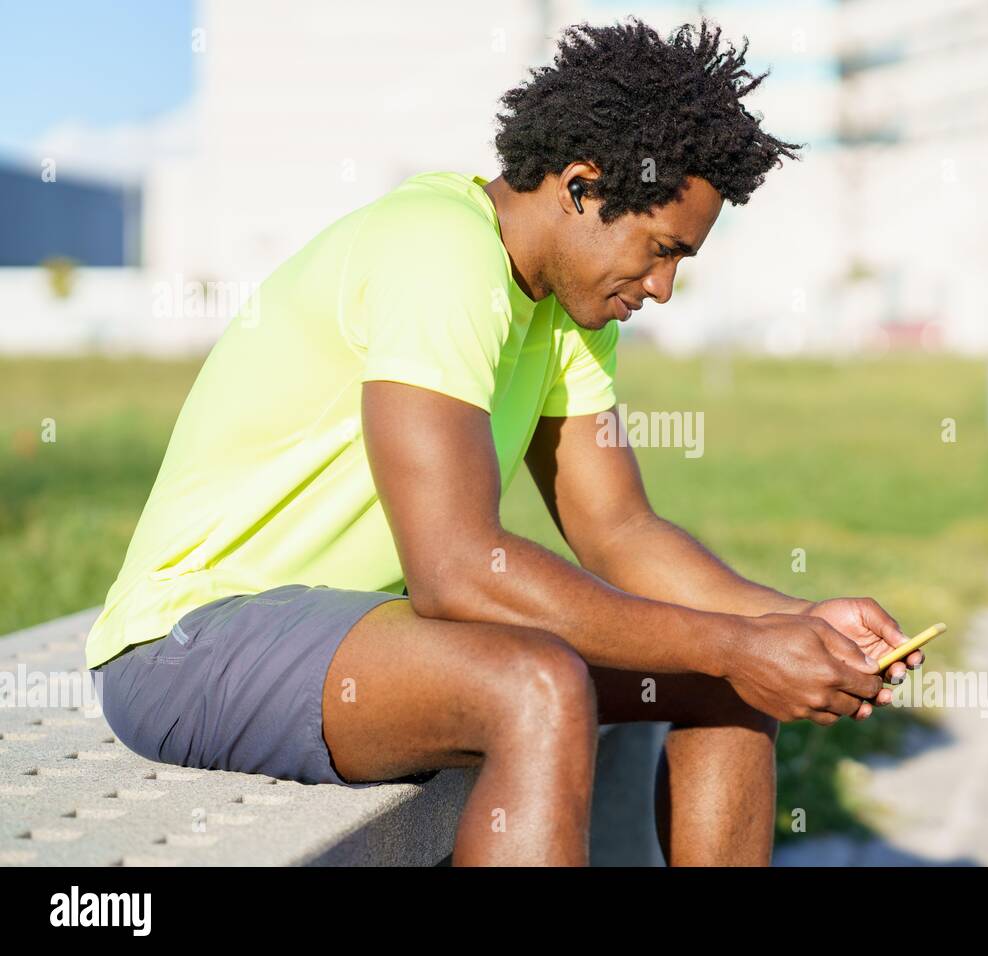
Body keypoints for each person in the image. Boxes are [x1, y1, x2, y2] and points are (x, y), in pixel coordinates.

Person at [85, 15, 923, 866]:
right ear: (583, 187)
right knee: (536, 687)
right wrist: (739, 640)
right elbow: (456, 572)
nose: (665, 288)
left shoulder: (571, 311)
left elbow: (620, 531)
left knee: (727, 683)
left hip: (365, 632)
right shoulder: (438, 249)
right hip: (187, 647)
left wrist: (792, 624)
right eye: (661, 251)